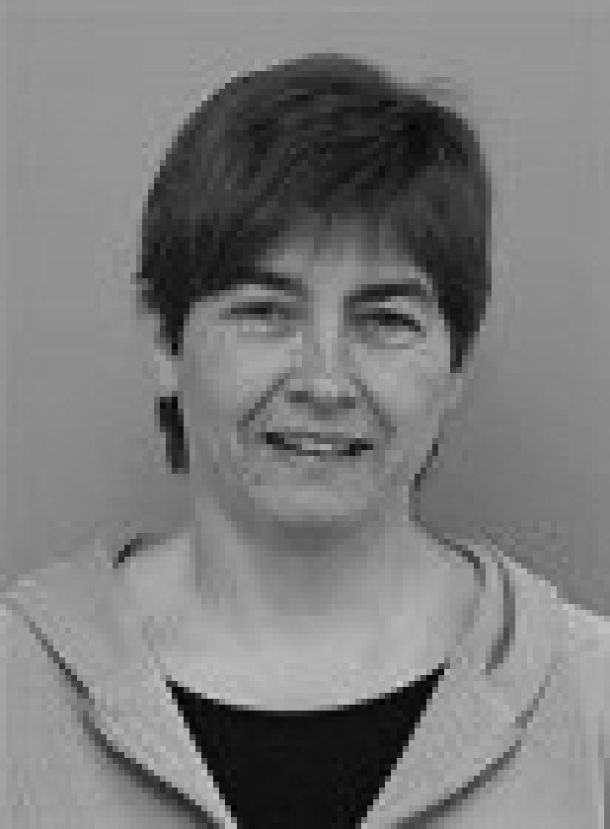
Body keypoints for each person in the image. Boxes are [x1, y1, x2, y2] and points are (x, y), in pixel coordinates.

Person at [1, 52, 608, 828]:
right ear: (163, 340)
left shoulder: (591, 698)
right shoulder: (14, 693)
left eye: (385, 320)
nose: (325, 381)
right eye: (264, 312)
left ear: (457, 366)